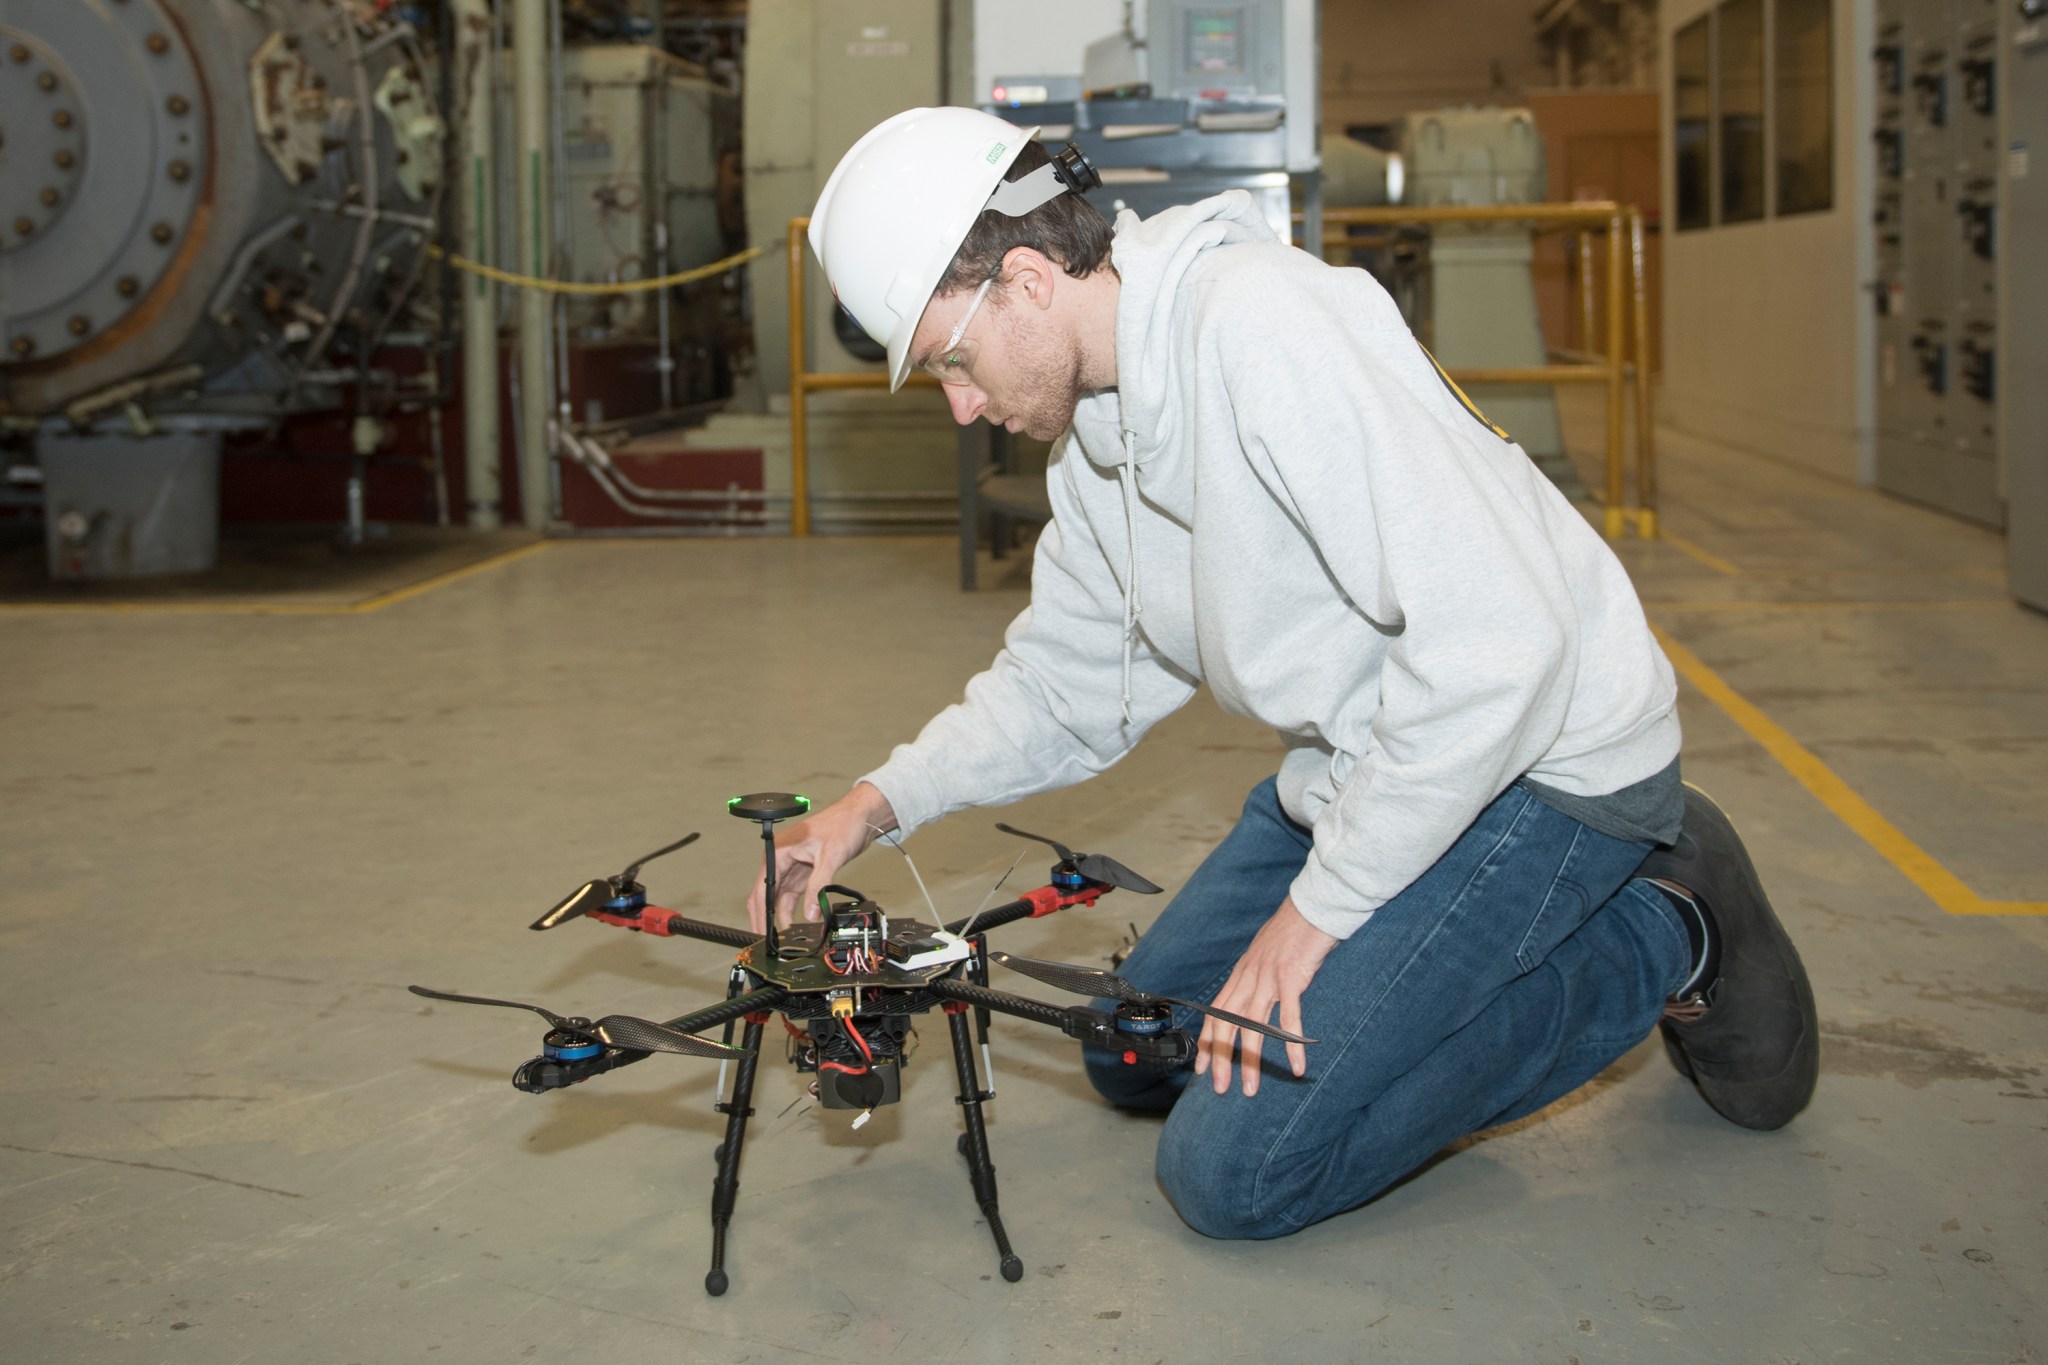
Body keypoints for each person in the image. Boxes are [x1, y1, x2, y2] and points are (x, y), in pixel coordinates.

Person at [748, 107, 1819, 1240]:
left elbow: (1500, 648)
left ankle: (1666, 922)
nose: (963, 406)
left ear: (1023, 280)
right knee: (1132, 1048)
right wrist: (872, 805)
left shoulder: (1266, 330)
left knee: (1235, 1173)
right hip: (1377, 768)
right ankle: (1414, 938)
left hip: (1538, 769)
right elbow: (1068, 685)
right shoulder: (1096, 441)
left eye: (950, 364)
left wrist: (1319, 912)